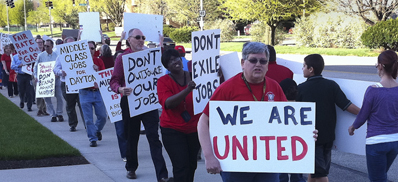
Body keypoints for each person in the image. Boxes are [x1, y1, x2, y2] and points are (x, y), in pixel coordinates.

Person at [197, 42, 289, 182]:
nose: (258, 64)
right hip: (236, 165)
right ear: (243, 63)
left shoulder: (274, 87)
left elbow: (288, 121)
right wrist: (209, 156)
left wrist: (305, 133)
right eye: (253, 60)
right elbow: (203, 121)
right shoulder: (227, 88)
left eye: (263, 61)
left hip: (267, 164)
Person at [110, 28, 170, 181]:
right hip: (129, 101)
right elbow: (114, 81)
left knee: (153, 137)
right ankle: (131, 167)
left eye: (143, 37)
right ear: (129, 40)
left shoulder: (151, 55)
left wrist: (161, 46)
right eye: (137, 37)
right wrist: (120, 89)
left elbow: (163, 67)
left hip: (148, 102)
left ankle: (162, 174)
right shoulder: (122, 58)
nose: (141, 40)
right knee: (131, 137)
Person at [296, 54, 360, 182]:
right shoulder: (331, 85)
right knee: (316, 171)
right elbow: (346, 105)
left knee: (320, 175)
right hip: (328, 136)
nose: (302, 69)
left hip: (312, 137)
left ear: (311, 69)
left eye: (304, 66)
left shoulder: (301, 89)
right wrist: (366, 114)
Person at [348, 50, 398, 182]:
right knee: (381, 176)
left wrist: (353, 126)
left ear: (381, 66)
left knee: (377, 178)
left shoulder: (373, 90)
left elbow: (364, 113)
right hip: (395, 141)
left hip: (376, 141)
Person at [158, 49, 200, 182]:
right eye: (170, 61)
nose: (174, 61)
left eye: (176, 58)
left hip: (194, 129)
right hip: (172, 130)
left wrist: (217, 76)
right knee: (181, 166)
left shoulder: (196, 76)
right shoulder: (163, 81)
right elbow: (168, 103)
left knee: (191, 165)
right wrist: (188, 89)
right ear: (167, 67)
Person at [53, 36, 85, 132]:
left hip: (79, 83)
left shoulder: (81, 55)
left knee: (83, 104)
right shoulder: (61, 56)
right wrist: (60, 72)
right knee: (70, 105)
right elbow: (55, 69)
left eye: (73, 43)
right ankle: (72, 124)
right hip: (66, 83)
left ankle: (87, 124)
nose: (71, 45)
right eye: (68, 43)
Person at [79, 41, 107, 147]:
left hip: (98, 92)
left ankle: (96, 130)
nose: (90, 50)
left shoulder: (99, 61)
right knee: (88, 119)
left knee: (102, 116)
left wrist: (98, 69)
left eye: (92, 48)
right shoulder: (79, 63)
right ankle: (93, 139)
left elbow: (104, 75)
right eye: (88, 48)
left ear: (95, 50)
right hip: (85, 92)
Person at [278, 78, 306, 182]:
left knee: (280, 176)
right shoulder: (303, 110)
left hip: (280, 149)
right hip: (298, 149)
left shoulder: (276, 110)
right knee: (298, 176)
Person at [34, 39, 64, 122]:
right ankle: (52, 114)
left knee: (59, 97)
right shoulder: (41, 56)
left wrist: (59, 73)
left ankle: (59, 113)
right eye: (45, 46)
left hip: (56, 79)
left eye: (48, 46)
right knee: (47, 98)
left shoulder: (57, 55)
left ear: (52, 46)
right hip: (45, 80)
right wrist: (36, 76)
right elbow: (36, 67)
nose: (46, 47)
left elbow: (61, 66)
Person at [35, 37, 49, 116]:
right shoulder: (32, 52)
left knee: (45, 92)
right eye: (38, 42)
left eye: (41, 42)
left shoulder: (46, 51)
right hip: (36, 75)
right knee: (38, 92)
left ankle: (44, 109)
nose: (40, 44)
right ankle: (40, 109)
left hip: (46, 74)